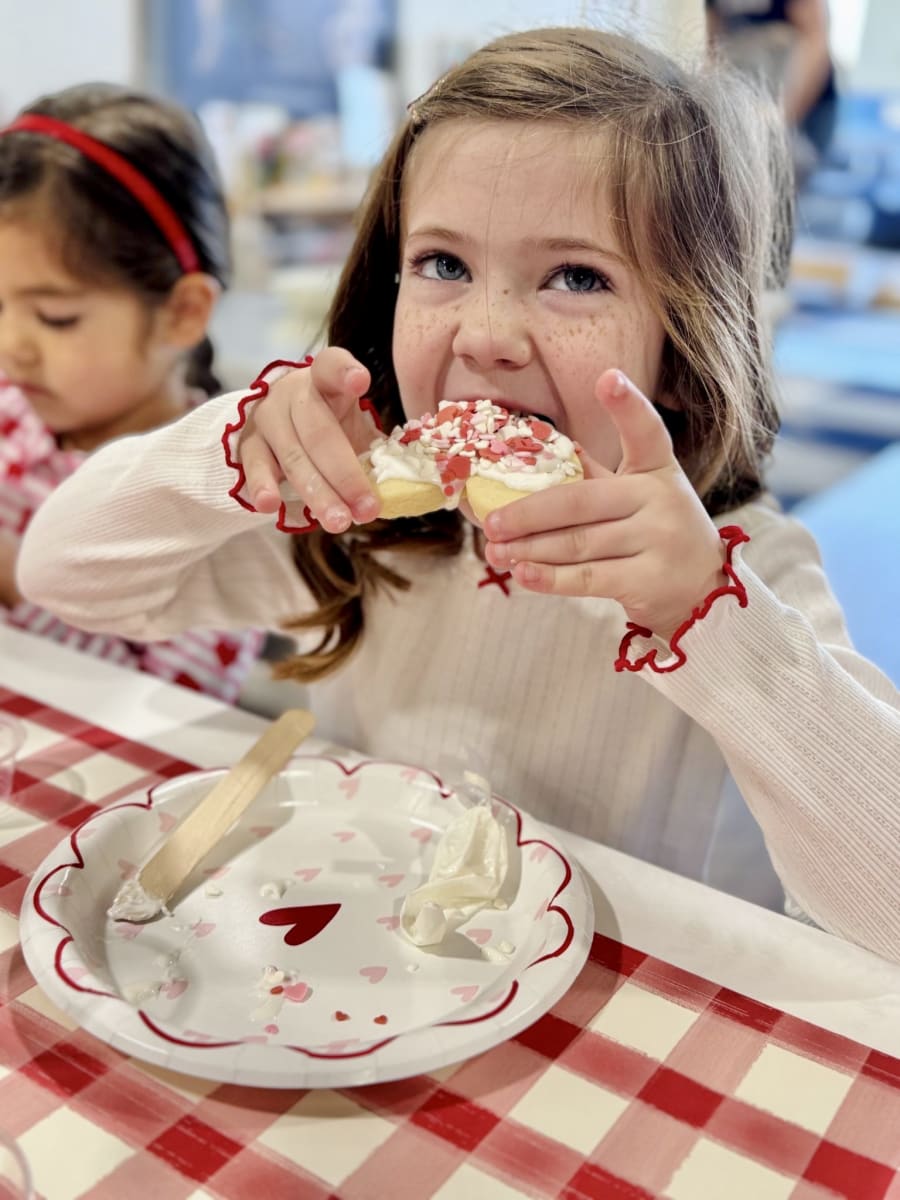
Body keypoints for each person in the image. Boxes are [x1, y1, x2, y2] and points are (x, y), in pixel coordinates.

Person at [17, 30, 900, 961]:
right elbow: (61, 574)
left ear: (682, 353)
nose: (487, 337)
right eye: (444, 265)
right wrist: (231, 446)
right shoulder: (364, 522)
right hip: (361, 950)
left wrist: (706, 617)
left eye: (574, 276)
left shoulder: (734, 564)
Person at [0, 83, 263, 702]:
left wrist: (12, 573)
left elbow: (179, 699)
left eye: (56, 317)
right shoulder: (13, 412)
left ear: (182, 311)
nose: (11, 346)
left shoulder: (226, 489)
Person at [706, 0, 838, 183]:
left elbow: (815, 38)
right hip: (751, 98)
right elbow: (713, 45)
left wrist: (782, 117)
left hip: (803, 105)